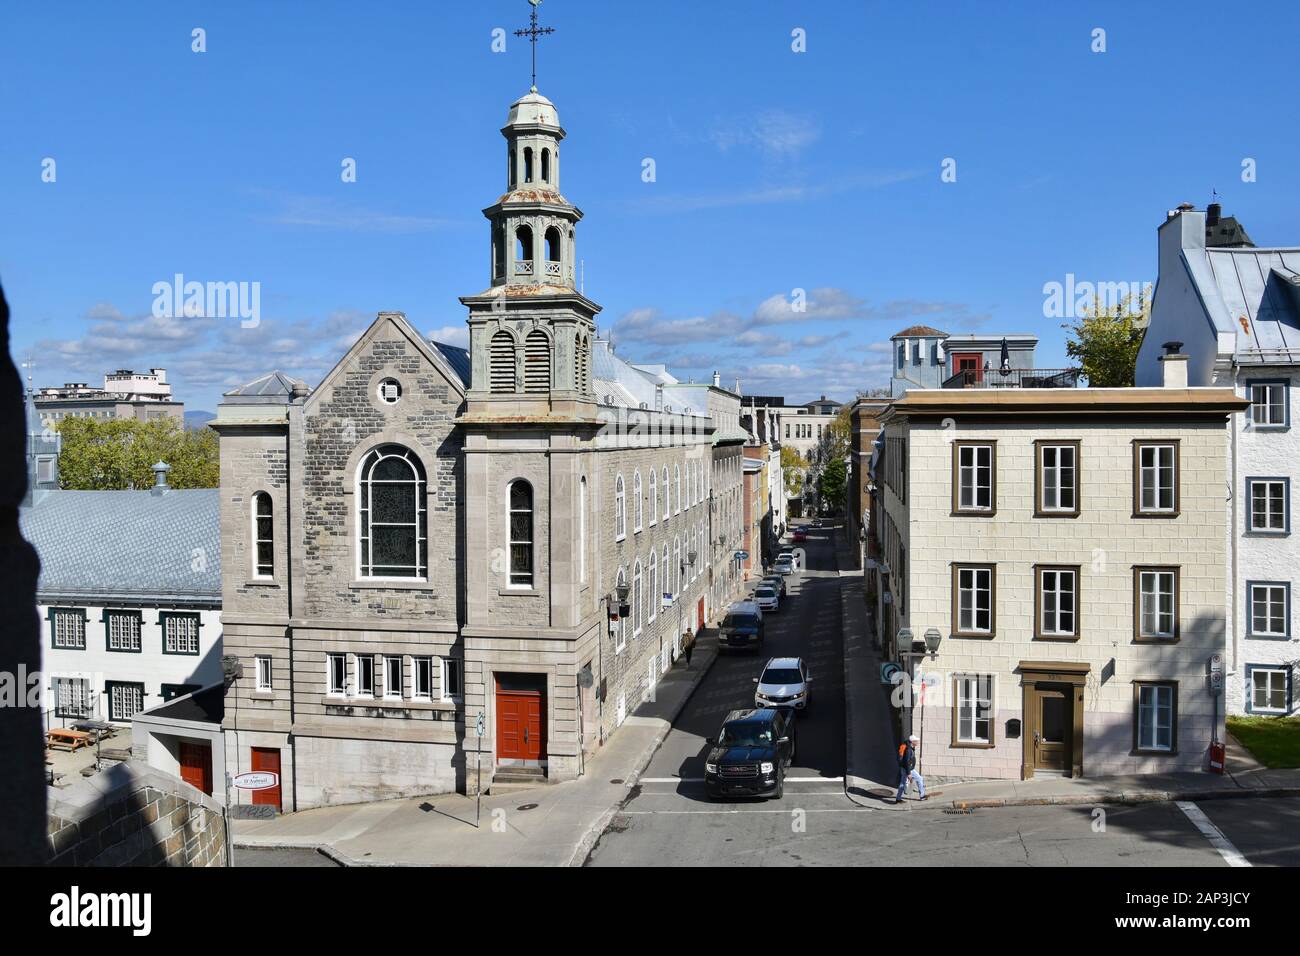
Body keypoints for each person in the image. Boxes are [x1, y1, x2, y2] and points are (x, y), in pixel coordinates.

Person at [893, 734, 927, 803]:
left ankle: (898, 798)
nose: (917, 742)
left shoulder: (910, 747)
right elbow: (906, 762)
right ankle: (922, 796)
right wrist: (909, 773)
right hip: (908, 769)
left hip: (906, 769)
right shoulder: (908, 749)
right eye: (916, 741)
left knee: (902, 783)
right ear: (912, 742)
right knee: (919, 779)